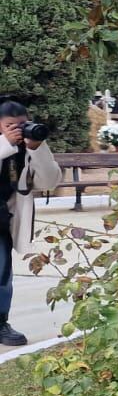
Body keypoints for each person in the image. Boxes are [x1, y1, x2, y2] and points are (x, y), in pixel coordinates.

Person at [1, 98, 62, 347]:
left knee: (2, 273)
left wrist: (37, 148)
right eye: (10, 125)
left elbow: (49, 182)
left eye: (23, 124)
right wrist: (6, 144)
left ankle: (0, 322)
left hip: (2, 217)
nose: (19, 129)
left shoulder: (27, 149)